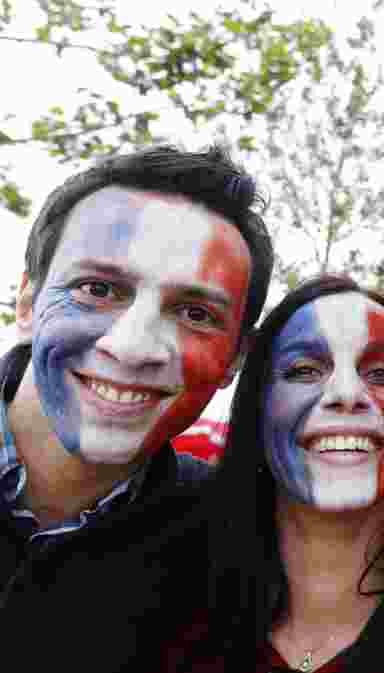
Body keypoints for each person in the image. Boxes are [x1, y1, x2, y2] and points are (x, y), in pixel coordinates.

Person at [0, 146, 273, 669]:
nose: (131, 346)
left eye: (194, 312)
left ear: (235, 358)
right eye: (98, 289)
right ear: (28, 303)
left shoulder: (234, 548)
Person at [159, 273, 384, 672]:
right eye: (304, 370)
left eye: (381, 373)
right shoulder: (159, 602)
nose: (346, 393)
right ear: (259, 404)